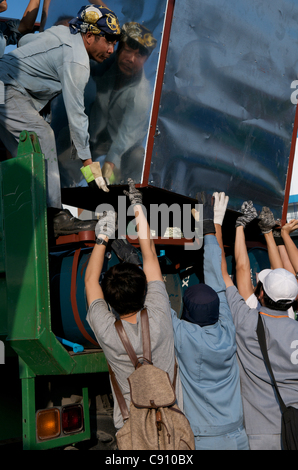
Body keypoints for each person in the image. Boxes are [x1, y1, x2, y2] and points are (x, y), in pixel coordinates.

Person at [0, 4, 121, 236]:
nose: (111, 50)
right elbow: (77, 115)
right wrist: (90, 170)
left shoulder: (63, 32)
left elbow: (25, 43)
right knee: (43, 134)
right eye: (108, 41)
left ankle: (23, 213)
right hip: (5, 88)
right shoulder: (77, 62)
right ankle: (54, 216)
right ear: (89, 36)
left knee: (25, 152)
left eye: (114, 43)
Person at [85, 179, 183, 432]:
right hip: (172, 427)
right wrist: (136, 204)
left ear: (110, 300)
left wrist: (103, 235)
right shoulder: (160, 315)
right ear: (145, 291)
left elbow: (89, 281)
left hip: (132, 433)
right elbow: (149, 253)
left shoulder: (108, 332)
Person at [215, 192, 298, 450]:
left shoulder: (248, 318)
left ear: (260, 292)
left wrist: (237, 227)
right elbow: (283, 275)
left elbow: (237, 269)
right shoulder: (293, 320)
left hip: (262, 434)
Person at [170, 192, 249, 450]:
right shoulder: (228, 328)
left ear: (187, 313)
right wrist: (211, 228)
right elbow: (217, 283)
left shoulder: (182, 335)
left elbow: (158, 303)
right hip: (238, 434)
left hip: (206, 440)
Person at [88, 21, 157, 183]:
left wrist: (106, 172)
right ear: (119, 49)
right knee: (67, 150)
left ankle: (126, 201)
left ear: (146, 60)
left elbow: (122, 140)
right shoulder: (107, 63)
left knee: (138, 157)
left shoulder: (141, 95)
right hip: (95, 135)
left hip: (124, 148)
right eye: (128, 50)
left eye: (139, 55)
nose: (131, 59)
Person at [234, 201, 296, 318]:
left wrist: (268, 232)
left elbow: (243, 268)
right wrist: (240, 225)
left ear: (262, 294)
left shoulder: (289, 314)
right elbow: (242, 268)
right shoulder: (254, 310)